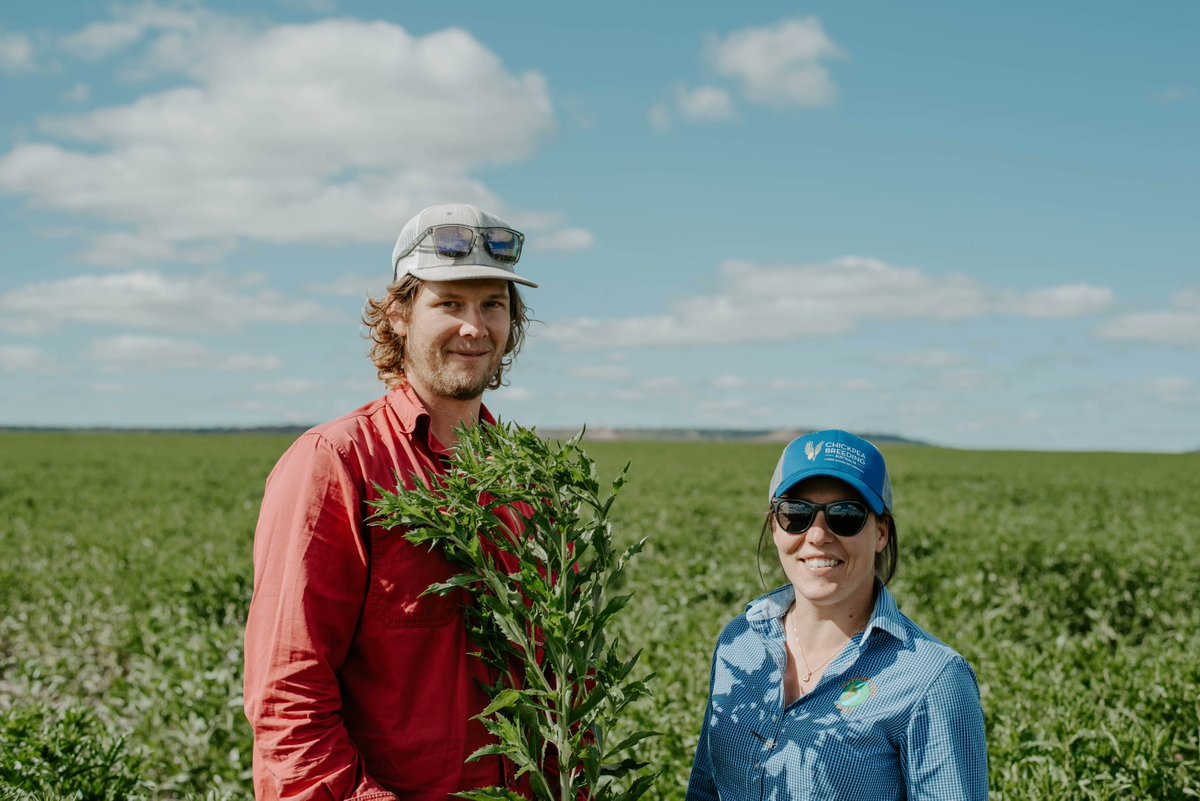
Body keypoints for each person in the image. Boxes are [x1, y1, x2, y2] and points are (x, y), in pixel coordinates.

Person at [243, 203, 539, 801]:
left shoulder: (526, 481)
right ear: (401, 315)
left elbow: (557, 672)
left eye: (492, 305)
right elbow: (288, 697)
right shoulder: (336, 463)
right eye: (449, 303)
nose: (474, 327)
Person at [686, 429, 988, 800]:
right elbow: (706, 790)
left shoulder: (932, 679)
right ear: (774, 528)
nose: (817, 535)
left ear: (880, 533)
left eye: (845, 515)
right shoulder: (739, 643)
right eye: (796, 513)